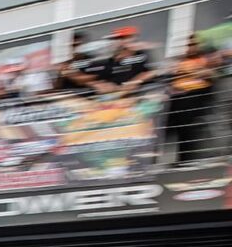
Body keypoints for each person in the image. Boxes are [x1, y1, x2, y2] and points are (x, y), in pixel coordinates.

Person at [166, 35, 217, 163]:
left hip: (196, 95)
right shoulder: (180, 62)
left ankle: (186, 159)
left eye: (193, 44)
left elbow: (211, 74)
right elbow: (171, 79)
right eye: (188, 45)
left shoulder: (204, 58)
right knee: (171, 115)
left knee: (186, 116)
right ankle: (178, 158)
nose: (191, 47)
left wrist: (194, 70)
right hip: (178, 97)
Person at [87, 27, 157, 93]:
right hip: (112, 98)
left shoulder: (141, 54)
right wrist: (97, 84)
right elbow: (89, 78)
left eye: (124, 38)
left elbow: (152, 72)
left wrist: (134, 82)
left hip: (140, 93)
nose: (120, 42)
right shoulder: (106, 60)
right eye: (117, 39)